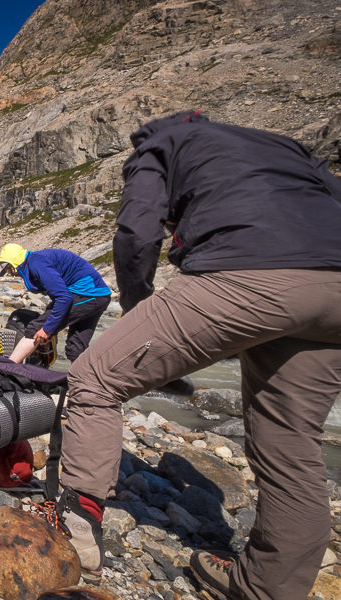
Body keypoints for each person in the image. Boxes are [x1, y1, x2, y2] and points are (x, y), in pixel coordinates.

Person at [50, 111, 341, 600]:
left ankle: (75, 530)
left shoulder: (161, 145)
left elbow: (137, 233)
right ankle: (267, 588)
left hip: (246, 270)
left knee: (95, 376)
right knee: (292, 445)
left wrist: (140, 310)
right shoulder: (284, 146)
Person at [0, 244, 111, 364]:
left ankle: (8, 368)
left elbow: (63, 298)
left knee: (35, 329)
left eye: (9, 270)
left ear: (14, 264)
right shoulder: (36, 261)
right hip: (99, 297)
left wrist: (47, 329)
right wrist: (52, 326)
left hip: (86, 295)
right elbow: (57, 294)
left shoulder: (37, 264)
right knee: (76, 349)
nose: (11, 274)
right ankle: (85, 381)